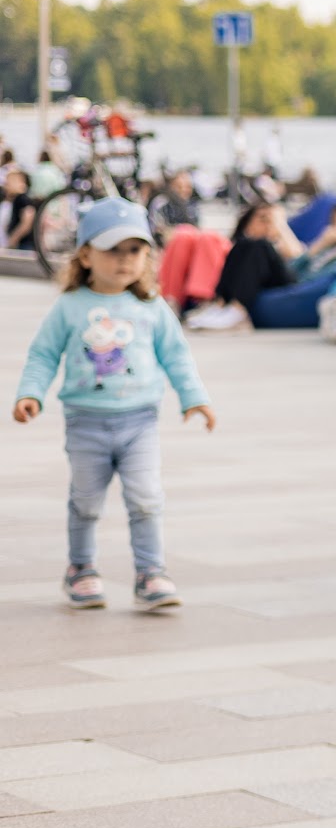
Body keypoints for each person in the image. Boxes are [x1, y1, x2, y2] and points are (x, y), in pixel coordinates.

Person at [12, 197, 214, 612]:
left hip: (140, 422)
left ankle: (151, 573)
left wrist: (194, 397)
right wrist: (30, 393)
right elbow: (43, 355)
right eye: (112, 250)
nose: (125, 260)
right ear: (85, 254)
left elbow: (176, 355)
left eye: (135, 250)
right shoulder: (69, 307)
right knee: (86, 501)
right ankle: (81, 569)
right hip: (85, 423)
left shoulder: (152, 307)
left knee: (146, 498)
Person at [192, 201, 302, 328]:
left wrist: (279, 223)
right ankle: (220, 304)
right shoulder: (246, 246)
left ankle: (238, 310)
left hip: (289, 283)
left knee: (260, 245)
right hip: (262, 279)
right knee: (242, 244)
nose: (267, 223)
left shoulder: (281, 241)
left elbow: (297, 255)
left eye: (269, 219)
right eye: (262, 218)